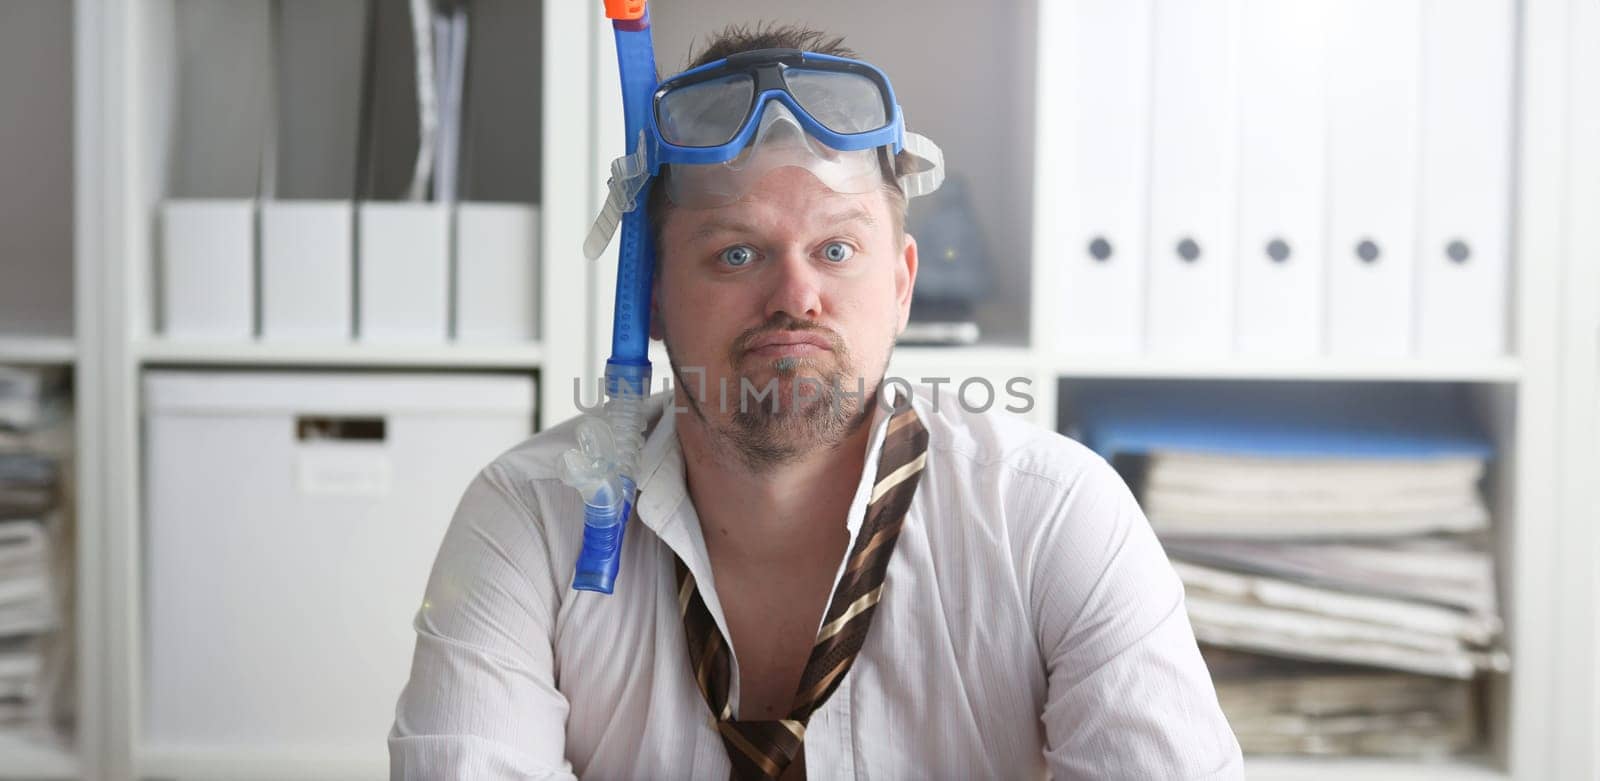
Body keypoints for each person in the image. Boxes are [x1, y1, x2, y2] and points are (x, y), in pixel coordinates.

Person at [389, 23, 1243, 780]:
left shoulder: (1055, 519)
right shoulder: (529, 523)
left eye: (836, 247)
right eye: (734, 255)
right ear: (646, 296)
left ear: (902, 285)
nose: (796, 295)